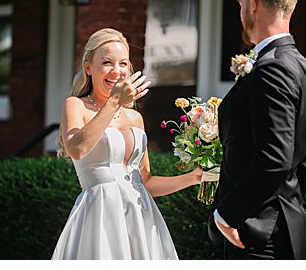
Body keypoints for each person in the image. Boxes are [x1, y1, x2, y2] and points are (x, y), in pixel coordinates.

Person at [209, 0, 306, 259]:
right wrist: (283, 199)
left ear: (252, 3)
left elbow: (274, 159)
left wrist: (229, 214)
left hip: (256, 240)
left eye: (240, 5)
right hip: (282, 231)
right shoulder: (304, 68)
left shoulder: (271, 67)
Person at [51, 28, 200, 258]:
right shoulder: (75, 105)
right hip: (99, 215)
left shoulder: (135, 118)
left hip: (140, 217)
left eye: (123, 63)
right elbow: (77, 149)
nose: (117, 71)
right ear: (88, 67)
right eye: (107, 62)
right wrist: (113, 103)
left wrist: (193, 178)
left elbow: (146, 181)